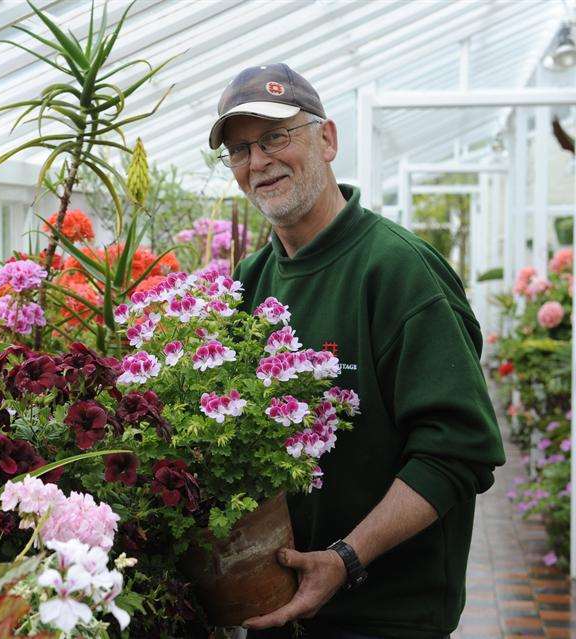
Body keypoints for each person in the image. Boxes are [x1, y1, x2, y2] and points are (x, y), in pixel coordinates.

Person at [209, 64, 506, 639]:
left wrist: (345, 559)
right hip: (279, 606)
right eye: (241, 150)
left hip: (384, 616)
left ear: (327, 139)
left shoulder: (398, 271)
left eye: (276, 136)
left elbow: (459, 449)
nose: (259, 162)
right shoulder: (248, 282)